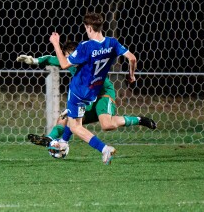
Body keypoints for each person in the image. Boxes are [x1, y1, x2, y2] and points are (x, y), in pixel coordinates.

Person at [16, 41, 155, 155]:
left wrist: (75, 107)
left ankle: (140, 120)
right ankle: (50, 139)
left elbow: (92, 89)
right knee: (65, 120)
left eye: (72, 56)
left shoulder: (88, 64)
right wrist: (32, 60)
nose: (70, 60)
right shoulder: (69, 62)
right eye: (67, 56)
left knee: (106, 124)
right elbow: (50, 59)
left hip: (103, 94)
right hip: (87, 97)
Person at [44, 11, 136, 164]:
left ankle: (104, 148)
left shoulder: (86, 46)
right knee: (72, 124)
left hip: (78, 91)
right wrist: (131, 75)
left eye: (86, 28)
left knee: (74, 126)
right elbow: (132, 58)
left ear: (89, 28)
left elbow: (64, 64)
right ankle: (63, 143)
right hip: (93, 92)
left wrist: (55, 43)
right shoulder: (112, 43)